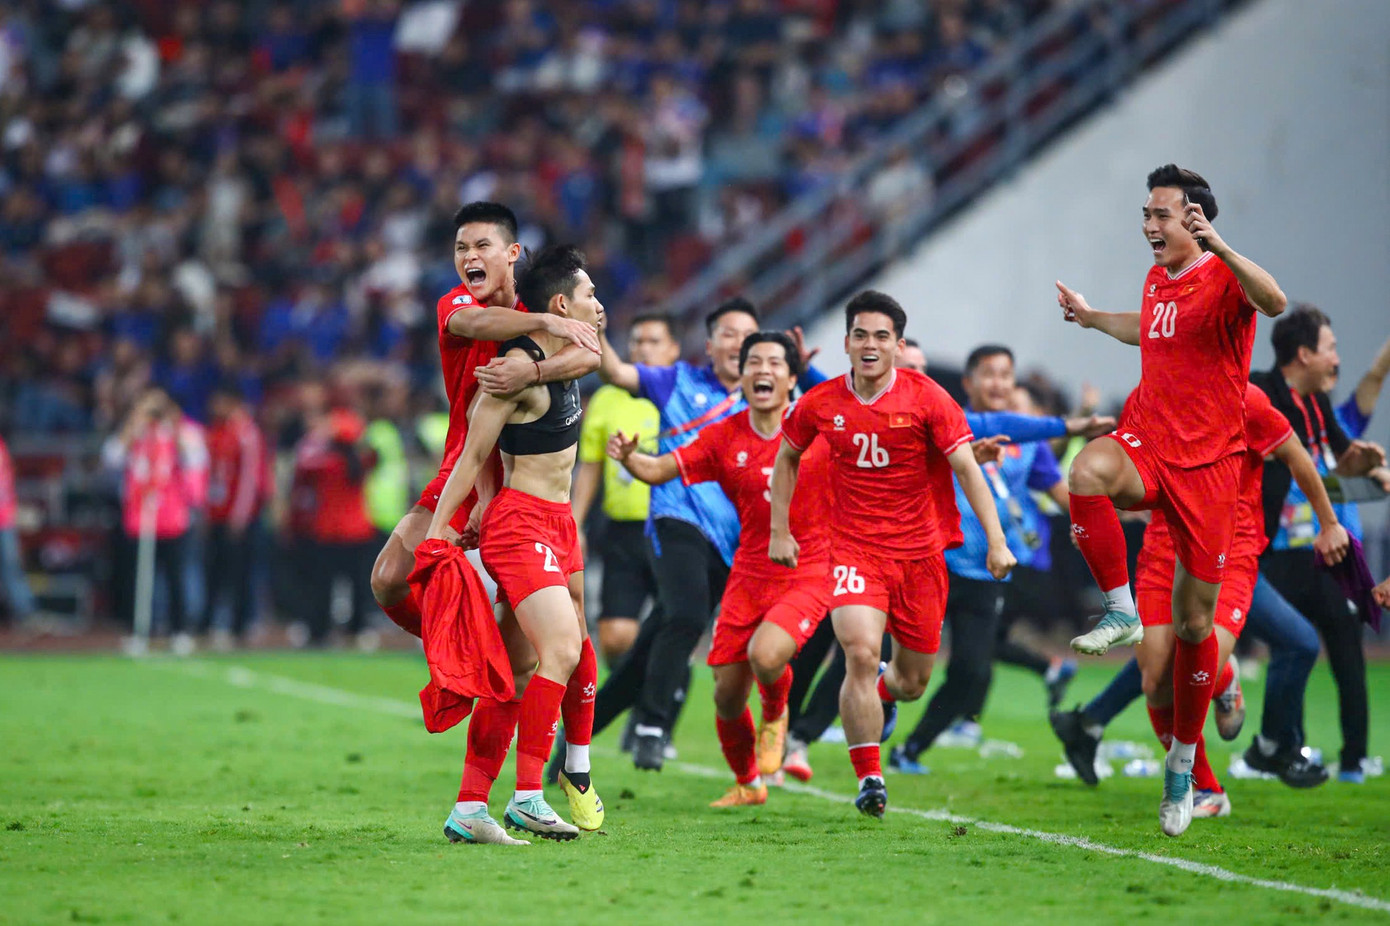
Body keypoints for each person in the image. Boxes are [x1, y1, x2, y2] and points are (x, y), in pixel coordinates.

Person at [1056, 164, 1287, 836]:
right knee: (1087, 472)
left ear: (1194, 221)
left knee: (1193, 632)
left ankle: (1184, 767)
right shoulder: (1158, 278)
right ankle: (1120, 609)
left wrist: (1221, 246)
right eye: (1147, 214)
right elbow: (1150, 329)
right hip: (1152, 442)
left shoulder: (1224, 276)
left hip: (1210, 471)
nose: (1149, 226)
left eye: (1161, 215)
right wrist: (1093, 319)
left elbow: (1275, 302)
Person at [770, 290, 1016, 818]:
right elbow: (787, 455)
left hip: (921, 558)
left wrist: (997, 541)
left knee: (911, 683)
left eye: (881, 336)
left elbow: (967, 468)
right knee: (859, 653)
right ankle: (870, 778)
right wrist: (779, 530)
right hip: (854, 551)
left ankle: (884, 691)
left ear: (898, 346)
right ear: (846, 342)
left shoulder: (929, 399)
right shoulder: (822, 402)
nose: (870, 345)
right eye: (860, 334)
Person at [1052, 384, 1348, 815]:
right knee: (1154, 681)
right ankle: (1207, 787)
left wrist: (1330, 523)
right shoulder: (1146, 396)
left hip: (1231, 547)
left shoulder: (1245, 399)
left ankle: (1222, 682)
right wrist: (1095, 517)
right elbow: (1131, 469)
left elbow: (1297, 456)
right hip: (1163, 546)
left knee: (1198, 649)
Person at [590, 297, 824, 770]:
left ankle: (580, 732)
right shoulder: (678, 382)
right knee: (688, 614)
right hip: (677, 520)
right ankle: (653, 725)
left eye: (749, 337)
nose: (740, 344)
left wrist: (803, 370)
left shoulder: (778, 407)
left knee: (655, 641)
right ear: (711, 345)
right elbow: (616, 372)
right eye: (729, 335)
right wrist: (593, 327)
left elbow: (837, 411)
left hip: (737, 545)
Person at [427, 244, 606, 845]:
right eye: (589, 295)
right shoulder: (509, 372)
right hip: (520, 525)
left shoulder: (565, 356)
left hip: (560, 524)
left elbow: (593, 347)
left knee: (519, 671)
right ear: (561, 305)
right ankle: (529, 795)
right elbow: (472, 454)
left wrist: (540, 366)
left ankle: (469, 808)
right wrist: (437, 533)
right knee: (561, 648)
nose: (599, 304)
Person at [369, 202, 600, 640]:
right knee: (389, 578)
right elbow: (477, 323)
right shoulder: (458, 303)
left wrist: (533, 371)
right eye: (461, 248)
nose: (469, 256)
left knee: (542, 642)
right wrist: (546, 322)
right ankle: (473, 647)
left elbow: (591, 352)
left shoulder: (538, 295)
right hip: (462, 466)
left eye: (481, 246)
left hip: (523, 480)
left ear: (512, 253)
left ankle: (503, 663)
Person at [890, 344, 1114, 774]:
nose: (998, 383)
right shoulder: (944, 422)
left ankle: (911, 749)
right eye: (989, 374)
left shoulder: (1027, 446)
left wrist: (1094, 519)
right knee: (894, 654)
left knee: (972, 671)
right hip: (933, 561)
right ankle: (867, 710)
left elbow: (1057, 491)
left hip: (988, 572)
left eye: (1006, 375)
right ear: (968, 382)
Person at [1250, 306, 1388, 783]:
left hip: (1310, 550)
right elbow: (1305, 469)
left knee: (1306, 645)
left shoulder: (1318, 406)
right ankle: (1279, 748)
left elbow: (1337, 465)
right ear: (1304, 354)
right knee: (1294, 645)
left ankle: (1295, 751)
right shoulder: (1258, 392)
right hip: (1271, 550)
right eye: (1331, 348)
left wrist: (1369, 470)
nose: (1337, 359)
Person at [571, 314, 679, 666]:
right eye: (637, 341)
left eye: (654, 341)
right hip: (621, 531)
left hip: (673, 530)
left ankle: (665, 693)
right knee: (615, 638)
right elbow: (591, 466)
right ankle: (635, 687)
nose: (643, 348)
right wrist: (575, 524)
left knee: (676, 628)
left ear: (674, 349)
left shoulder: (682, 395)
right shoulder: (606, 398)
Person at [103, 389, 208, 653]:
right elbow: (111, 459)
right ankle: (139, 630)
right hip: (140, 516)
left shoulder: (185, 432)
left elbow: (196, 461)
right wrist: (133, 423)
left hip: (173, 516)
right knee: (139, 577)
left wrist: (174, 428)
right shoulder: (137, 433)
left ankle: (179, 630)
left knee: (176, 576)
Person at [295, 406, 378, 647]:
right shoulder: (361, 462)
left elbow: (302, 466)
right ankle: (357, 629)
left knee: (322, 585)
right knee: (358, 585)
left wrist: (318, 435)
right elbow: (374, 453)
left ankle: (319, 631)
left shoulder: (324, 464)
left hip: (328, 531)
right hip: (358, 531)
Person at [202, 382, 269, 646]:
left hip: (238, 517)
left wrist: (239, 515)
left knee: (239, 571)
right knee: (215, 570)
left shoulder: (246, 433)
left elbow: (249, 479)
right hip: (217, 514)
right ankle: (210, 623)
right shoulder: (217, 431)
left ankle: (240, 625)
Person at [0, 433, 35, 624]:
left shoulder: (2, 445)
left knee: (12, 567)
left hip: (5, 518)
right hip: (6, 517)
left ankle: (25, 612)